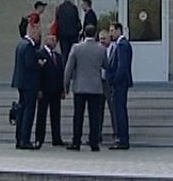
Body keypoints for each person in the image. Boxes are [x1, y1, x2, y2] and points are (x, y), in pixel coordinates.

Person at [63, 24, 107, 152]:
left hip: (80, 86)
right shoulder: (101, 49)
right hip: (95, 87)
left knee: (78, 115)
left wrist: (66, 85)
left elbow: (68, 68)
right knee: (95, 116)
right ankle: (94, 142)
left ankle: (76, 141)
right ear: (95, 34)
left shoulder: (76, 48)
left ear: (84, 34)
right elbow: (106, 65)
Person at [10, 24, 46, 149]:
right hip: (29, 83)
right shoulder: (29, 46)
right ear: (32, 32)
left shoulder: (21, 44)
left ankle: (19, 138)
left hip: (20, 82)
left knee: (22, 110)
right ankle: (25, 139)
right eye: (38, 35)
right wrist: (39, 64)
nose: (39, 38)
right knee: (29, 111)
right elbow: (30, 64)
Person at [35, 35, 65, 148]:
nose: (53, 42)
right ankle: (39, 138)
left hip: (56, 90)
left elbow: (61, 74)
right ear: (46, 40)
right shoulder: (40, 54)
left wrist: (62, 89)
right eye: (51, 40)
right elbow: (38, 73)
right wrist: (39, 89)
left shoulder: (58, 56)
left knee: (56, 115)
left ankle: (56, 138)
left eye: (55, 40)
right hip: (44, 89)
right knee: (41, 115)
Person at [108, 22, 133, 150]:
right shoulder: (119, 45)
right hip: (120, 83)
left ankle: (122, 139)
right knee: (118, 110)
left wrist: (114, 80)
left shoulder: (122, 45)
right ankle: (121, 138)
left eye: (112, 31)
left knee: (120, 111)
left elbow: (122, 66)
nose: (110, 33)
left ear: (119, 31)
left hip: (120, 84)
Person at [97, 29, 117, 144]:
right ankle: (97, 134)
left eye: (104, 39)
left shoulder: (115, 49)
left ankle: (116, 133)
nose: (102, 41)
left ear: (109, 38)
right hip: (99, 82)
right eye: (100, 39)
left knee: (113, 109)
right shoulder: (97, 50)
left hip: (109, 83)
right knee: (98, 110)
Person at [56, 0, 81, 66]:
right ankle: (72, 70)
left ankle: (64, 70)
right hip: (73, 36)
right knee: (73, 55)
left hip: (63, 36)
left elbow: (57, 21)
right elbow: (77, 22)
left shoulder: (59, 8)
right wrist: (78, 30)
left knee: (64, 54)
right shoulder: (73, 8)